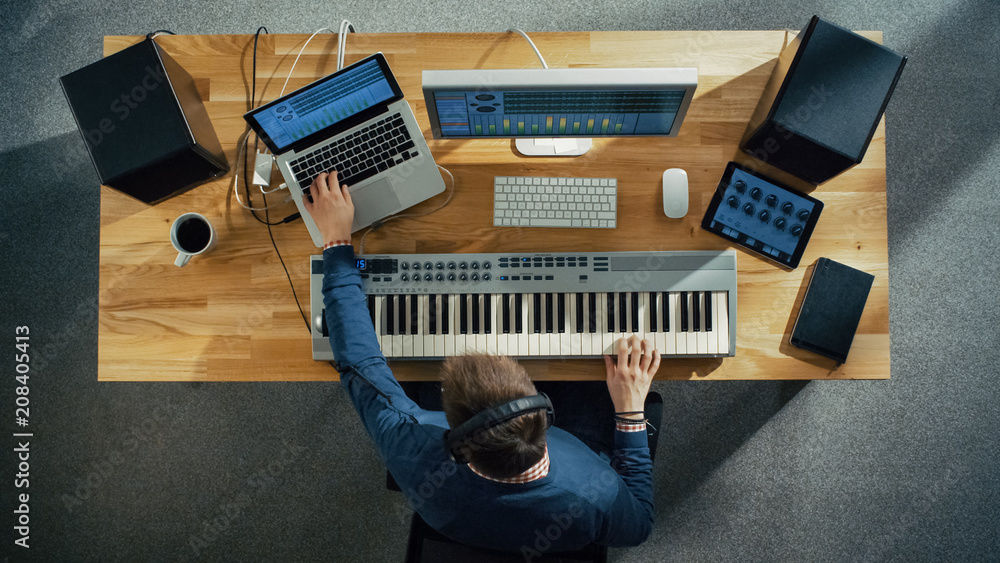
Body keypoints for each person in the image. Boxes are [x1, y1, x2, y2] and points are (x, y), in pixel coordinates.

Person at [305, 170, 662, 554]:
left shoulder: (411, 444)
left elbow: (357, 362)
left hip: (456, 513)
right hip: (559, 495)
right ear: (541, 406)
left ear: (452, 428)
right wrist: (629, 412)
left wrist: (337, 242)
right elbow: (639, 525)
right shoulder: (596, 492)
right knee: (589, 379)